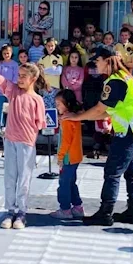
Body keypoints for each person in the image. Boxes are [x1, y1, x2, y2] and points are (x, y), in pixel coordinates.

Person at [63, 48, 133, 226]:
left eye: (97, 61)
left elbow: (99, 110)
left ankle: (105, 213)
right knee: (132, 173)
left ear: (107, 60)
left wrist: (76, 117)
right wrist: (81, 117)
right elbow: (108, 112)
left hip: (128, 133)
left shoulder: (115, 82)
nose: (95, 64)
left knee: (112, 172)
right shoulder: (126, 77)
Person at [0, 56, 45, 229]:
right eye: (18, 75)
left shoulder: (37, 100)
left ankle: (22, 212)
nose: (19, 79)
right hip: (10, 141)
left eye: (23, 76)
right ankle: (10, 211)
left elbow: (40, 124)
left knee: (24, 179)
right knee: (10, 177)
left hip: (26, 144)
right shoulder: (12, 91)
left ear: (33, 78)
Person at [50, 89, 84, 220]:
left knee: (63, 184)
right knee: (71, 182)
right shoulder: (75, 117)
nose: (57, 107)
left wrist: (60, 157)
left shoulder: (66, 120)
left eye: (59, 104)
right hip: (75, 157)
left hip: (68, 158)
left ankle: (65, 209)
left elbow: (65, 142)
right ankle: (77, 207)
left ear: (67, 104)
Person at [0, 45, 19, 130]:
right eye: (4, 53)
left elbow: (15, 78)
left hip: (11, 92)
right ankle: (0, 128)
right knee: (0, 111)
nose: (6, 55)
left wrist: (10, 88)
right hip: (0, 91)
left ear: (11, 53)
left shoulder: (15, 64)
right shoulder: (0, 64)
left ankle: (10, 128)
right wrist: (1, 87)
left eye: (8, 53)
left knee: (11, 111)